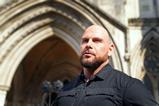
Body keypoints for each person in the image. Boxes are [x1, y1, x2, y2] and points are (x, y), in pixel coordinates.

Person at [53, 25, 158, 106]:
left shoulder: (128, 86)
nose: (89, 45)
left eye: (97, 41)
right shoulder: (65, 90)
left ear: (110, 49)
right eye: (85, 41)